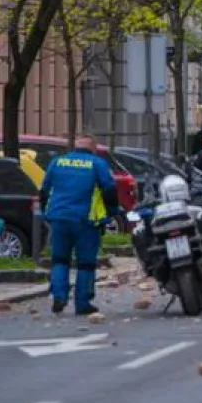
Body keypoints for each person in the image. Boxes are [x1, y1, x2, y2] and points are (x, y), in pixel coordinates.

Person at [41, 134, 120, 315]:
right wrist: (112, 212)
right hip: (86, 221)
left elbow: (44, 189)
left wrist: (47, 212)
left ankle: (59, 295)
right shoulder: (97, 164)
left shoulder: (57, 162)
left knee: (59, 259)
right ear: (93, 149)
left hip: (59, 218)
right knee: (85, 263)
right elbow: (109, 189)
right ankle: (82, 303)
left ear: (75, 147)